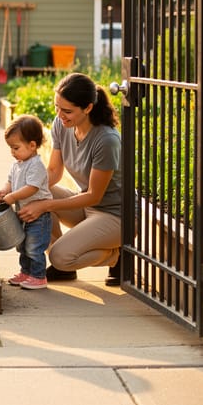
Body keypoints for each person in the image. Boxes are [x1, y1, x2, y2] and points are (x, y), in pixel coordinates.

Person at [16, 72, 123, 286]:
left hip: (115, 214)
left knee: (59, 257)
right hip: (87, 208)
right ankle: (67, 263)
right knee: (30, 194)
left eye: (67, 111)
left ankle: (118, 256)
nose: (60, 115)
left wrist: (45, 205)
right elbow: (54, 172)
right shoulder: (62, 125)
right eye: (57, 107)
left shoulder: (106, 140)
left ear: (88, 108)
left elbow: (94, 196)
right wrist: (15, 191)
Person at [0, 115, 53, 290]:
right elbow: (10, 182)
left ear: (32, 145)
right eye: (11, 148)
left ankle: (39, 276)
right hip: (23, 213)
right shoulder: (17, 163)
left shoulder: (36, 165)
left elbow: (32, 188)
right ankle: (26, 272)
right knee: (22, 245)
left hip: (39, 216)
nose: (12, 152)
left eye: (16, 147)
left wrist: (12, 198)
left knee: (34, 246)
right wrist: (4, 191)